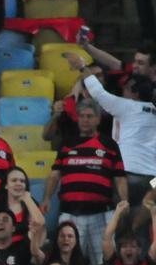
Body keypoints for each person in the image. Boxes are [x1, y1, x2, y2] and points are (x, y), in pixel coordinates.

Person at [43, 101, 126, 265]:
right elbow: (55, 174)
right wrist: (46, 198)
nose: (85, 120)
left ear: (98, 119)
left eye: (89, 116)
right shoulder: (66, 144)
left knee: (104, 260)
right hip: (70, 212)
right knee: (67, 259)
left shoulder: (109, 145)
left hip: (101, 214)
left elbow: (119, 176)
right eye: (81, 116)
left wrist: (125, 200)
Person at [67, 54, 156, 205]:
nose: (123, 92)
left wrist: (83, 67)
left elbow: (98, 92)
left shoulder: (127, 106)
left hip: (128, 174)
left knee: (120, 216)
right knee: (146, 220)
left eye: (127, 89)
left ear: (135, 93)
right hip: (153, 180)